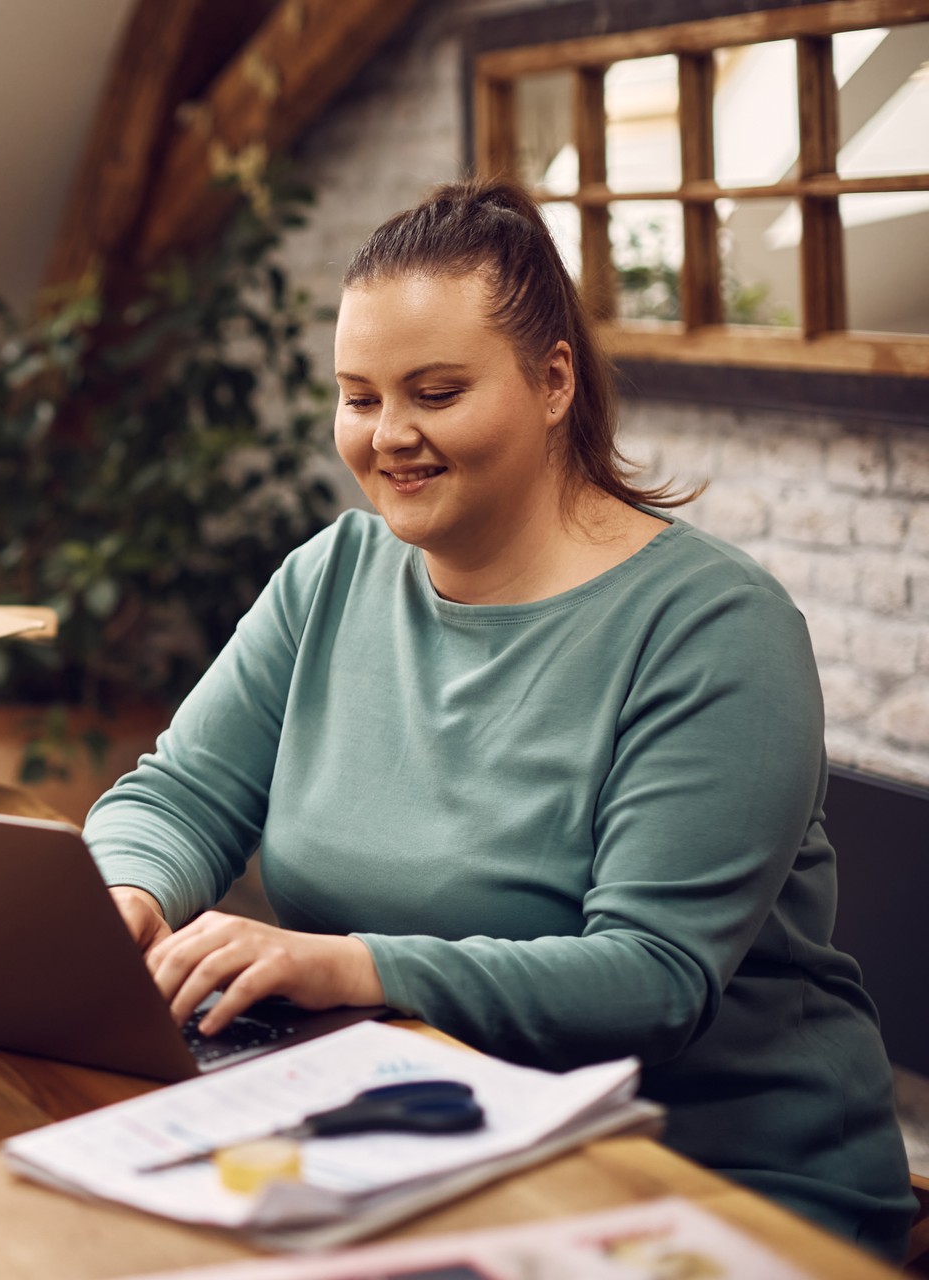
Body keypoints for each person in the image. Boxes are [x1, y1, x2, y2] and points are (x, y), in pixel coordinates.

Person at [85, 176, 916, 1260]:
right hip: (417, 1129)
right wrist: (127, 891)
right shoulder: (330, 576)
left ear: (553, 378)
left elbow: (652, 976)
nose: (390, 436)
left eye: (435, 390)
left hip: (702, 1176)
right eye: (359, 395)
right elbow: (179, 794)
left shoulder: (714, 625)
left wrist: (349, 964)